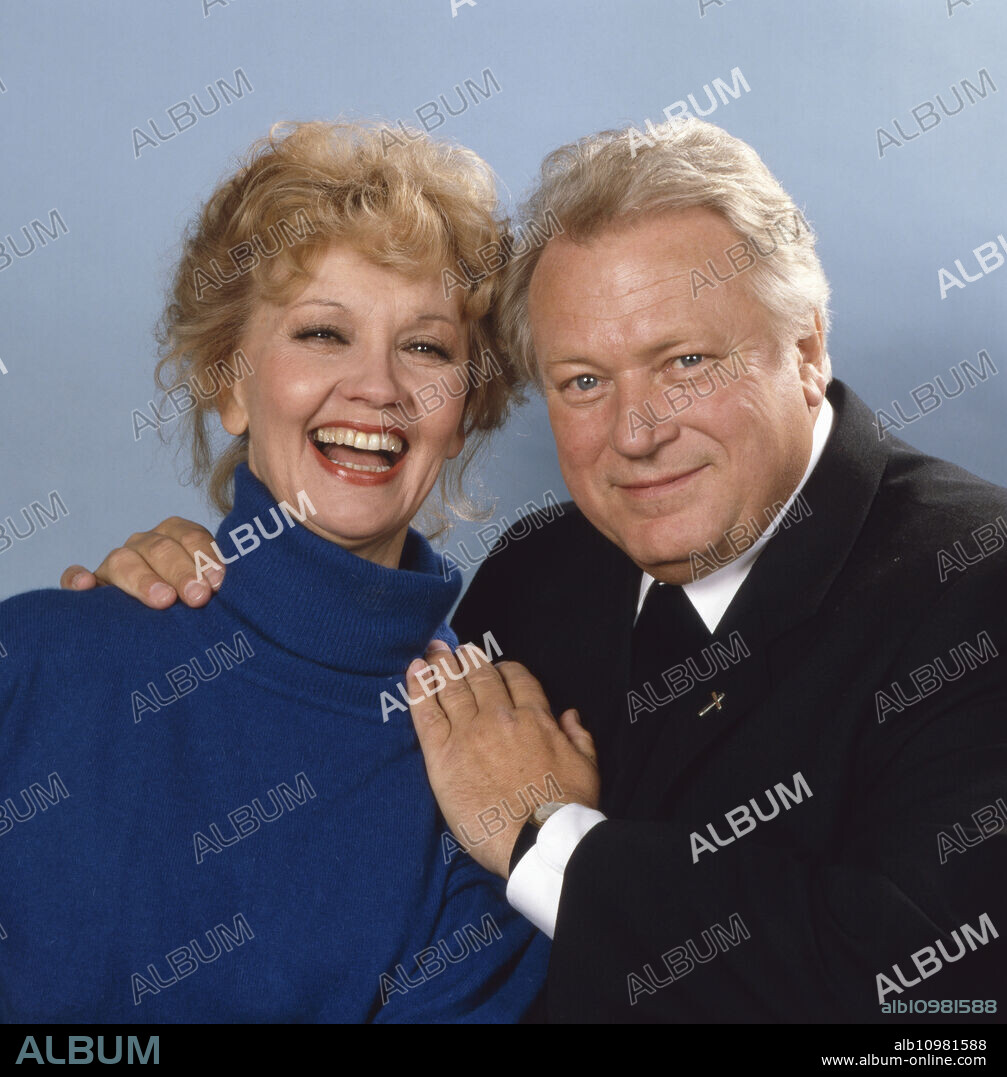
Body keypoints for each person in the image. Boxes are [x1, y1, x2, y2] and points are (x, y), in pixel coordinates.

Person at [61, 119, 1007, 1024]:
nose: (636, 434)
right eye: (584, 380)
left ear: (803, 349)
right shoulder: (543, 571)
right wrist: (192, 594)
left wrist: (543, 837)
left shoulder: (976, 580)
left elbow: (942, 1012)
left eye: (682, 361)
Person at [1, 119, 550, 1023]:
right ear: (229, 383)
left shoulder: (489, 771)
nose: (376, 386)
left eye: (426, 346)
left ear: (468, 406)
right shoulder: (34, 658)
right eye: (323, 333)